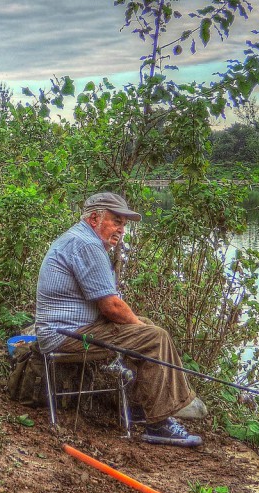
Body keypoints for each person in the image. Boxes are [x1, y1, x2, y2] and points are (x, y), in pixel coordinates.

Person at [35, 191, 206, 447]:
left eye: (124, 224)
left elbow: (110, 306)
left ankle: (141, 406)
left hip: (70, 329)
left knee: (146, 327)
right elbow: (112, 307)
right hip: (64, 336)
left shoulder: (80, 239)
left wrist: (139, 326)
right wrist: (140, 330)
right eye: (116, 221)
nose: (122, 230)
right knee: (153, 337)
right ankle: (159, 423)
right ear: (94, 218)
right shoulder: (86, 244)